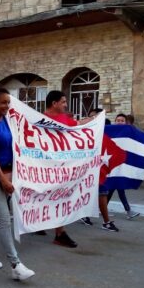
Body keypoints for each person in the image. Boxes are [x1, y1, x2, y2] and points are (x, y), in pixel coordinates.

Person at [0, 86, 35, 281]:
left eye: (8, 102)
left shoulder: (7, 122)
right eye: (3, 102)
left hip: (7, 176)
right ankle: (15, 264)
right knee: (4, 218)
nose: (6, 106)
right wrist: (2, 179)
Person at [41, 90, 84, 247]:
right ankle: (49, 228)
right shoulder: (40, 120)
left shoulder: (62, 119)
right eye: (64, 102)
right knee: (43, 195)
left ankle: (60, 232)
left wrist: (95, 120)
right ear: (54, 103)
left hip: (60, 167)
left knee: (59, 196)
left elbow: (79, 125)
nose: (66, 105)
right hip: (43, 166)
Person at [106, 113, 139, 220]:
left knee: (114, 188)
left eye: (122, 120)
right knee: (118, 187)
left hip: (121, 165)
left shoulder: (128, 132)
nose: (119, 122)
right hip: (111, 164)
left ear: (125, 122)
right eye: (118, 120)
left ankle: (101, 209)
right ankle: (128, 211)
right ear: (115, 121)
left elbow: (138, 136)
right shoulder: (110, 131)